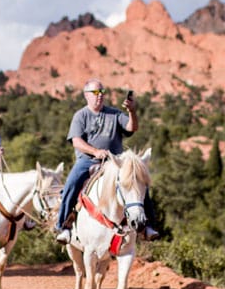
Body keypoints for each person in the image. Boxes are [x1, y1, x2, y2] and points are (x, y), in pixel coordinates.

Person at [55, 79, 159, 244]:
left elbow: (132, 127)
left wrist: (132, 111)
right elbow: (76, 141)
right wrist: (95, 151)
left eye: (102, 92)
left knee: (137, 182)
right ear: (86, 95)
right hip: (88, 160)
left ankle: (148, 227)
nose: (100, 96)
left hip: (115, 161)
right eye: (95, 93)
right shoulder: (81, 116)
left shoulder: (115, 114)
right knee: (72, 183)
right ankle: (63, 227)